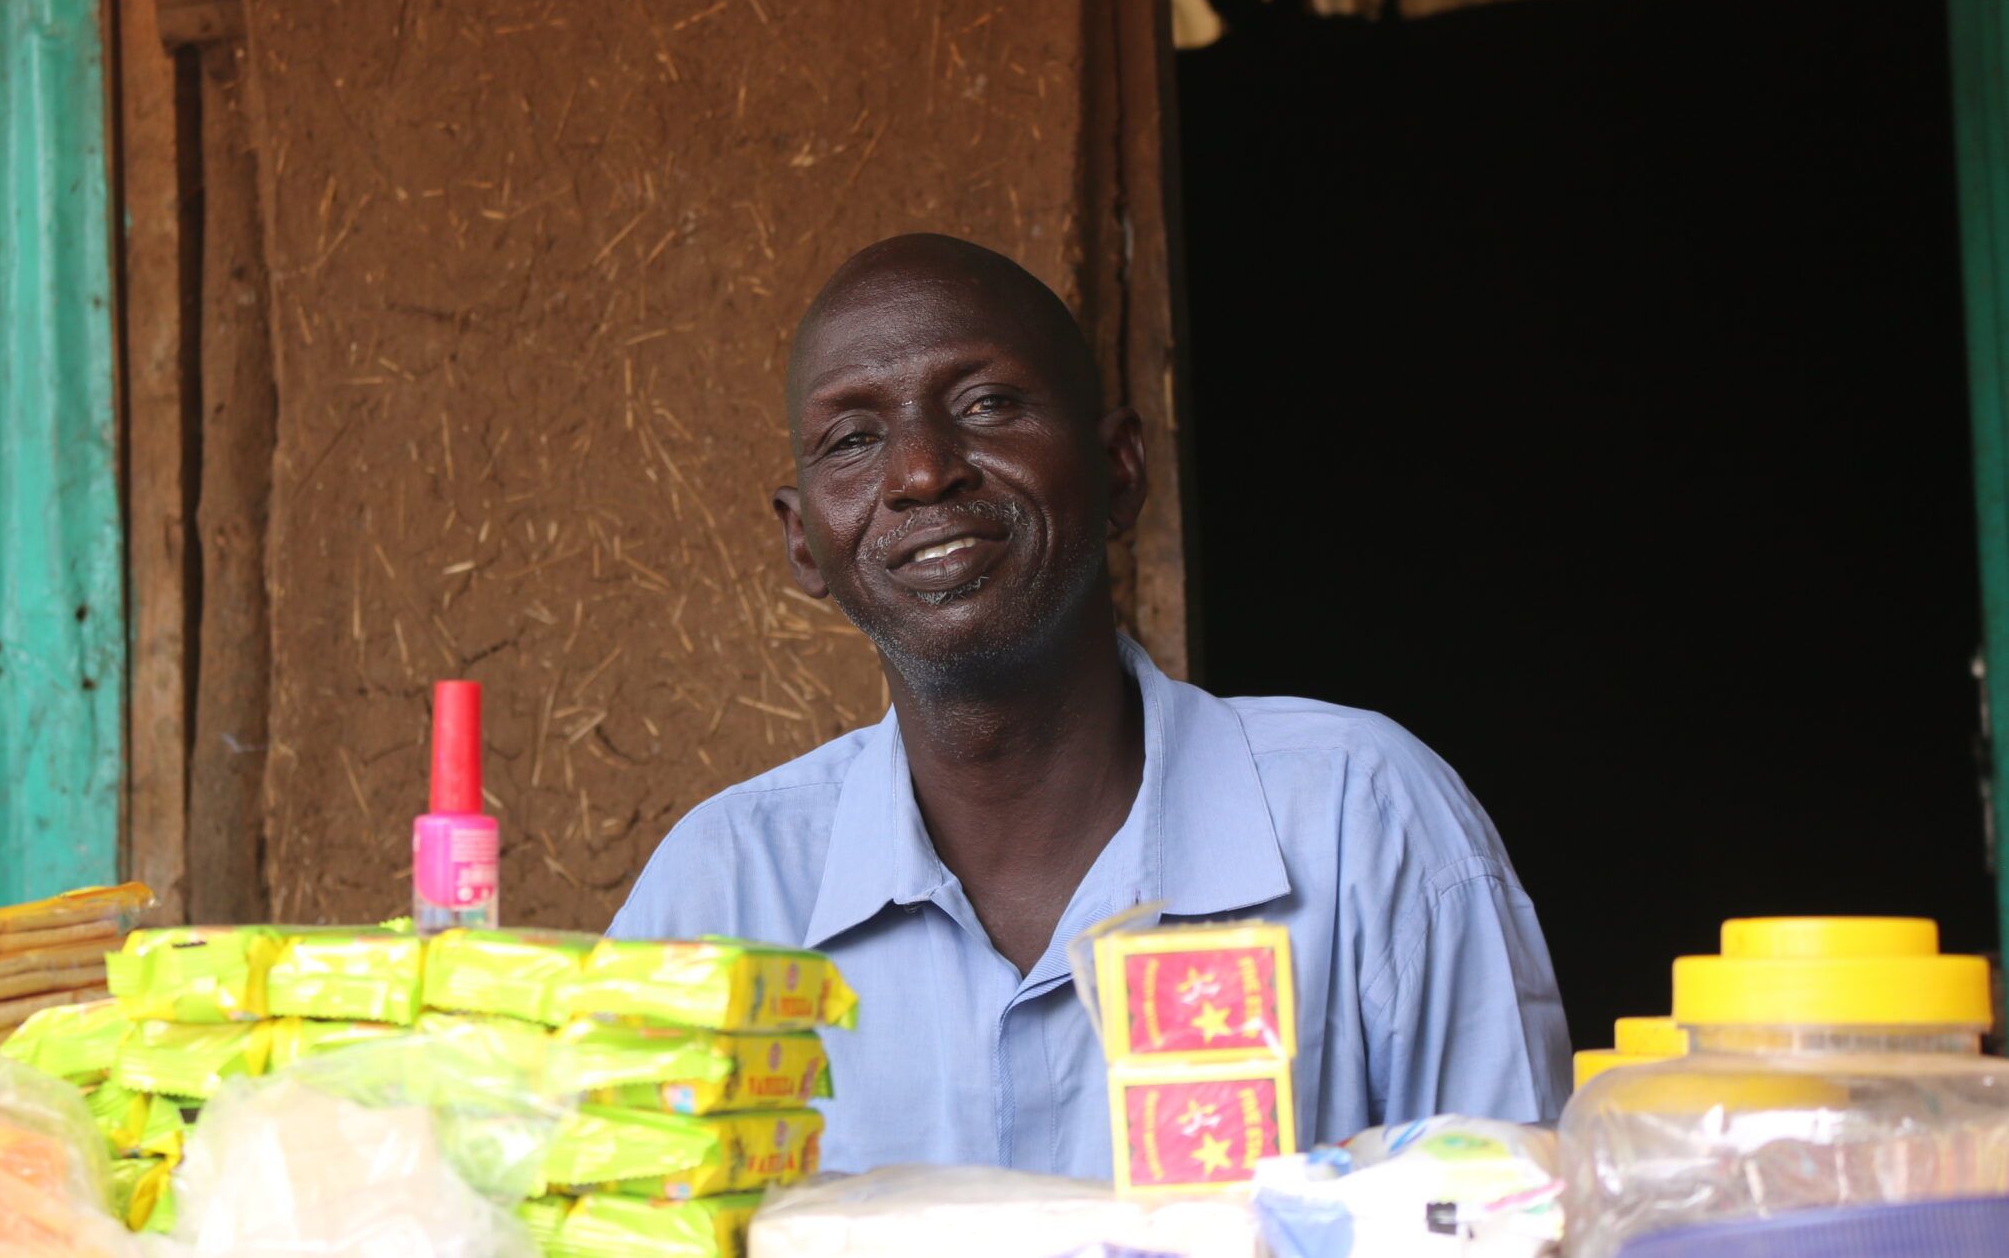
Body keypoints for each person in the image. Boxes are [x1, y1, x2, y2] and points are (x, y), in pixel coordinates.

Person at [609, 233, 1570, 1177]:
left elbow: (1519, 1222)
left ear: (1119, 469)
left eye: (986, 404)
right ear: (803, 542)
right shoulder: (721, 892)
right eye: (854, 439)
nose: (921, 472)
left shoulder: (1363, 818)